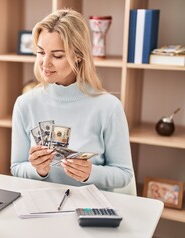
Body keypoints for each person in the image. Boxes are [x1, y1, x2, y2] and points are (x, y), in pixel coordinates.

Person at [10, 8, 133, 191]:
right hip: (42, 204)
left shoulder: (108, 107)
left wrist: (91, 173)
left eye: (57, 55)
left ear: (78, 56)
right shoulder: (25, 104)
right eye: (41, 52)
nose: (45, 63)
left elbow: (124, 174)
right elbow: (16, 167)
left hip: (90, 209)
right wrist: (38, 170)